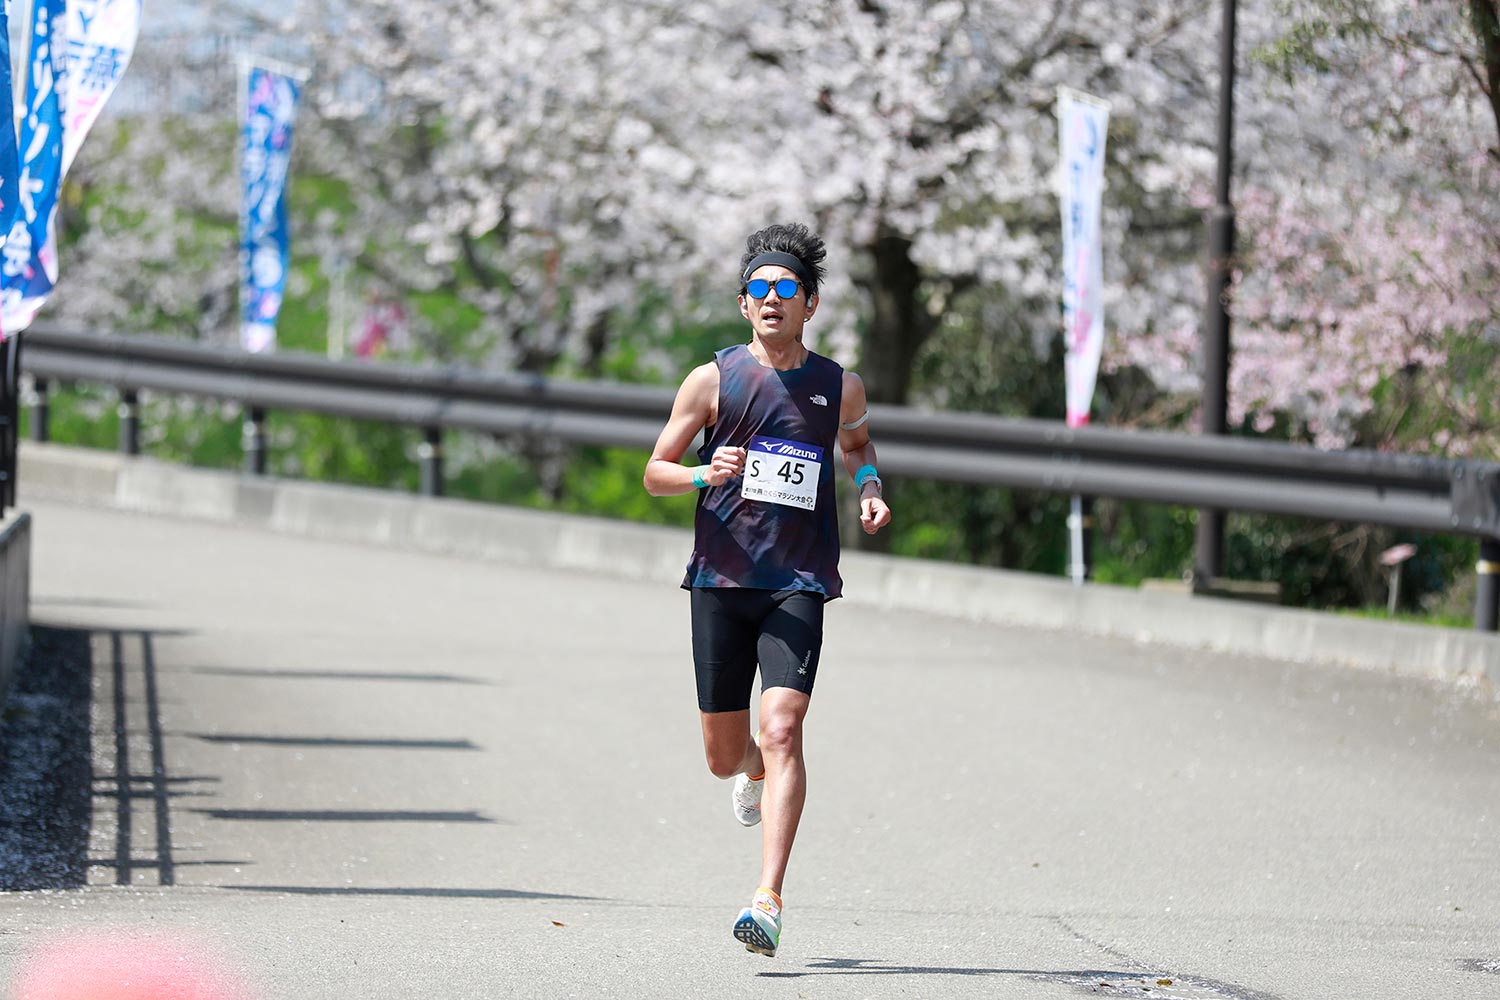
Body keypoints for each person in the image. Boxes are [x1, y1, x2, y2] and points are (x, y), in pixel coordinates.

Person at [643, 222, 892, 958]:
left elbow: (857, 444)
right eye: (759, 289)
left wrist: (869, 486)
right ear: (744, 304)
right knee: (725, 755)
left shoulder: (839, 386)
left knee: (783, 728)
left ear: (810, 303)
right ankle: (748, 770)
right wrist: (700, 473)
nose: (772, 299)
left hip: (798, 580)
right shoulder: (712, 380)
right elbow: (655, 472)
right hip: (721, 579)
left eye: (787, 288)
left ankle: (768, 898)